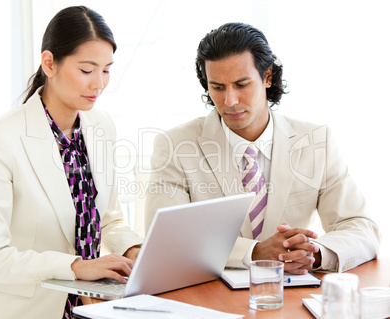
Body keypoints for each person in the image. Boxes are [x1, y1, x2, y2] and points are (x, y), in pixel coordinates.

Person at [144, 22, 381, 275]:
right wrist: (254, 253)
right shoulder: (176, 145)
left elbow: (361, 226)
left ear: (267, 76)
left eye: (242, 84)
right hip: (211, 296)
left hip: (290, 294)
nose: (230, 101)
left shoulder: (316, 142)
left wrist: (315, 252)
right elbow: (165, 240)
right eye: (218, 87)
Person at [0, 6, 143, 319]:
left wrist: (134, 250)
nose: (99, 84)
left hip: (95, 306)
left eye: (107, 69)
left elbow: (109, 219)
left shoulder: (101, 125)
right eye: (87, 70)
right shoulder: (1, 139)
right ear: (49, 63)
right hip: (31, 309)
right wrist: (74, 267)